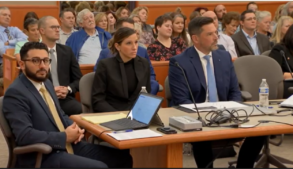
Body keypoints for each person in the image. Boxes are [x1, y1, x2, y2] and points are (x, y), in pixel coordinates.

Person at [3, 42, 133, 168]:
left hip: (67, 145)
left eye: (46, 60)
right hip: (44, 155)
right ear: (22, 64)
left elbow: (58, 114)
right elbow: (24, 135)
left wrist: (74, 128)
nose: (42, 66)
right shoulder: (16, 93)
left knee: (123, 158)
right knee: (99, 166)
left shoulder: (46, 83)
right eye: (36, 61)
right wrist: (64, 137)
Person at [168, 16, 266, 168]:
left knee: (261, 129)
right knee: (202, 137)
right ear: (195, 38)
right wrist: (207, 116)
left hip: (227, 113)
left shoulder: (224, 56)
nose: (216, 38)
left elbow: (234, 90)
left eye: (216, 33)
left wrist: (234, 110)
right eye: (210, 34)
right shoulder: (179, 62)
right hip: (199, 117)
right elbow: (182, 101)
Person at [91, 27, 151, 113]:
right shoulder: (105, 65)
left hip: (137, 114)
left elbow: (147, 94)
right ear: (118, 46)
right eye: (129, 43)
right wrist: (118, 115)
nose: (134, 47)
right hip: (112, 114)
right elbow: (98, 100)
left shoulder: (143, 63)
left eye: (136, 42)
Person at [94, 18, 159, 95]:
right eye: (127, 30)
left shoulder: (142, 51)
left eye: (132, 30)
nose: (130, 33)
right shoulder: (106, 54)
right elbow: (99, 77)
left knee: (154, 85)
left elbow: (151, 74)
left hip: (139, 92)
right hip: (116, 94)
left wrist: (143, 85)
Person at [39, 16, 82, 116]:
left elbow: (79, 79)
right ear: (42, 30)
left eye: (58, 27)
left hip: (64, 98)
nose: (57, 30)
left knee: (82, 111)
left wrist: (67, 89)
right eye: (53, 27)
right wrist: (50, 91)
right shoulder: (33, 52)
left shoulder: (66, 51)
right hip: (42, 98)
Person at [0, 7, 27, 80]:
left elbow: (26, 39)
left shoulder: (14, 29)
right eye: (4, 15)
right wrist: (18, 47)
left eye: (9, 16)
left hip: (20, 60)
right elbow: (3, 51)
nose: (7, 17)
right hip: (3, 64)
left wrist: (9, 42)